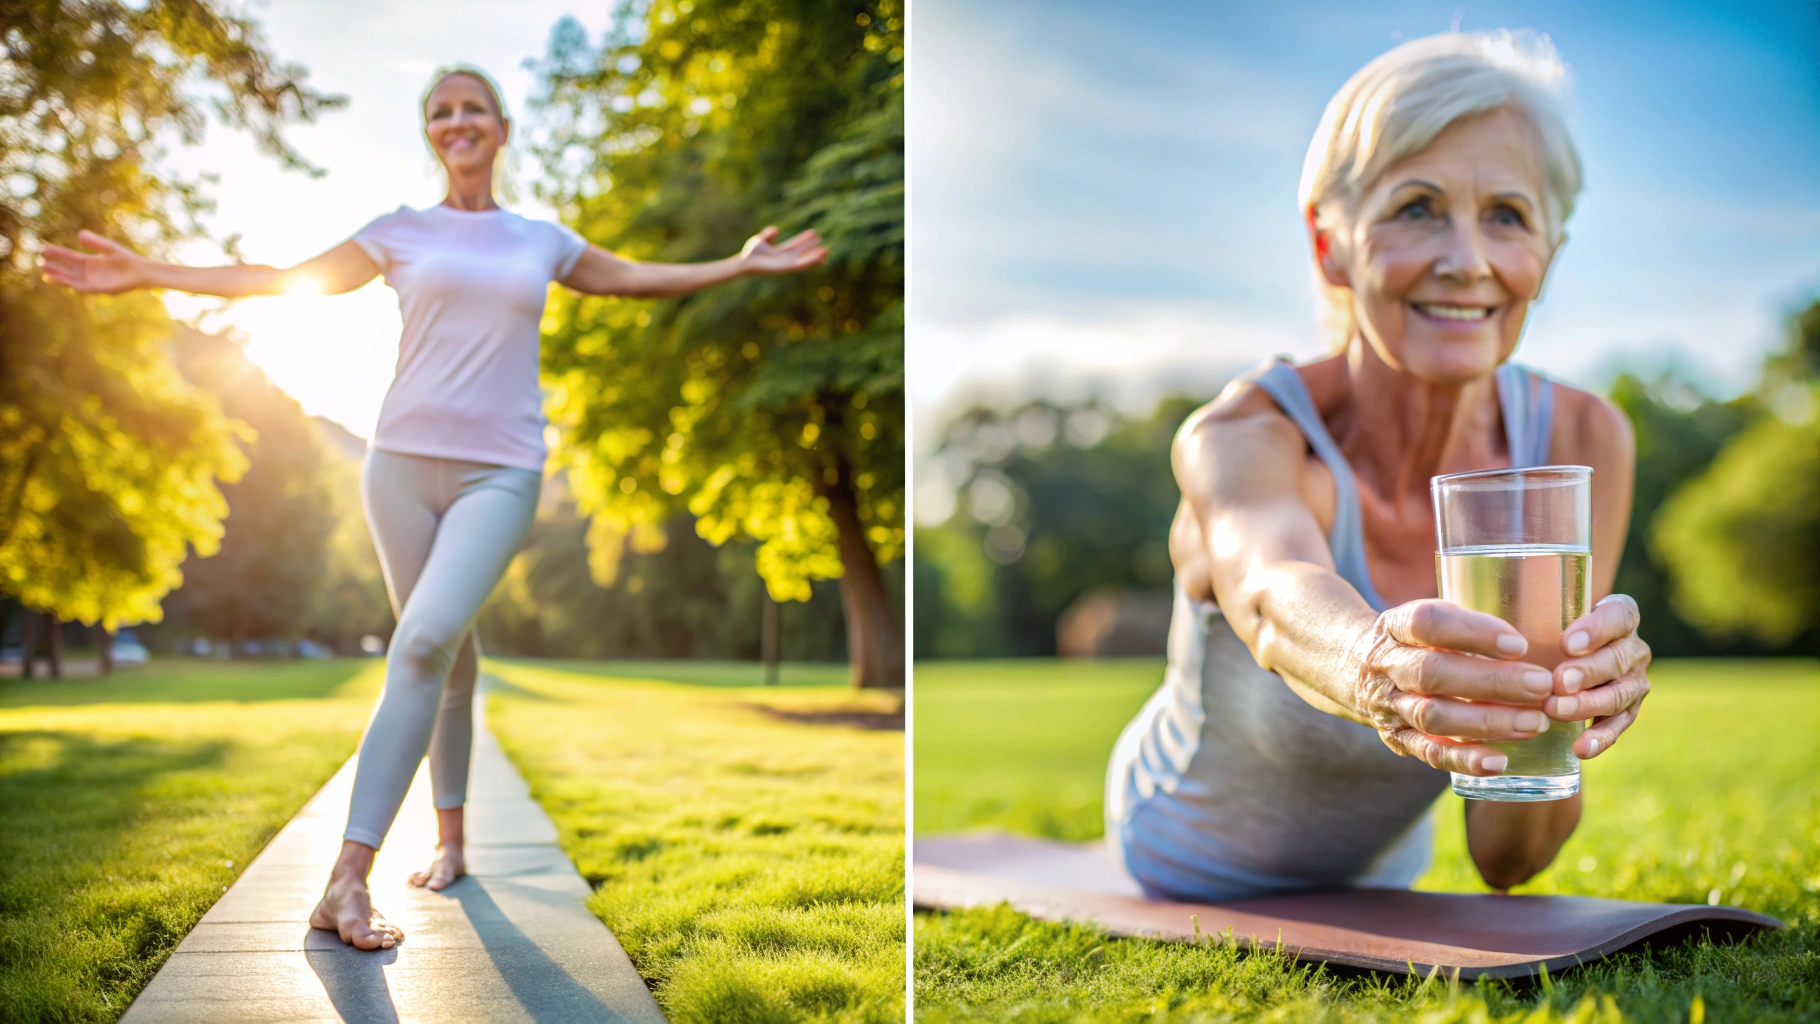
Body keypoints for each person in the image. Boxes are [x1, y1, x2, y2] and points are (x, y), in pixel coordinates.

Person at [41, 66, 827, 949]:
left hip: (503, 473)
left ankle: (346, 879)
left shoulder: (542, 240)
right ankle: (450, 842)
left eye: (472, 108)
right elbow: (279, 278)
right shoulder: (399, 232)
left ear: (500, 128)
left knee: (420, 641)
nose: (457, 122)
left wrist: (740, 264)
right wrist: (148, 271)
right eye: (440, 112)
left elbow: (634, 278)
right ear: (432, 134)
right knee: (448, 658)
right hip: (399, 469)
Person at [1104, 32, 1651, 903]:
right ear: (1331, 247)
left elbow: (1509, 861)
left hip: (1382, 882)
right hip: (1186, 855)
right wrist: (1377, 665)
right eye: (1417, 207)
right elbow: (1274, 596)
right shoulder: (1248, 433)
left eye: (1507, 216)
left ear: (1547, 253)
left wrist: (1564, 717)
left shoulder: (1583, 442)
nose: (1466, 259)